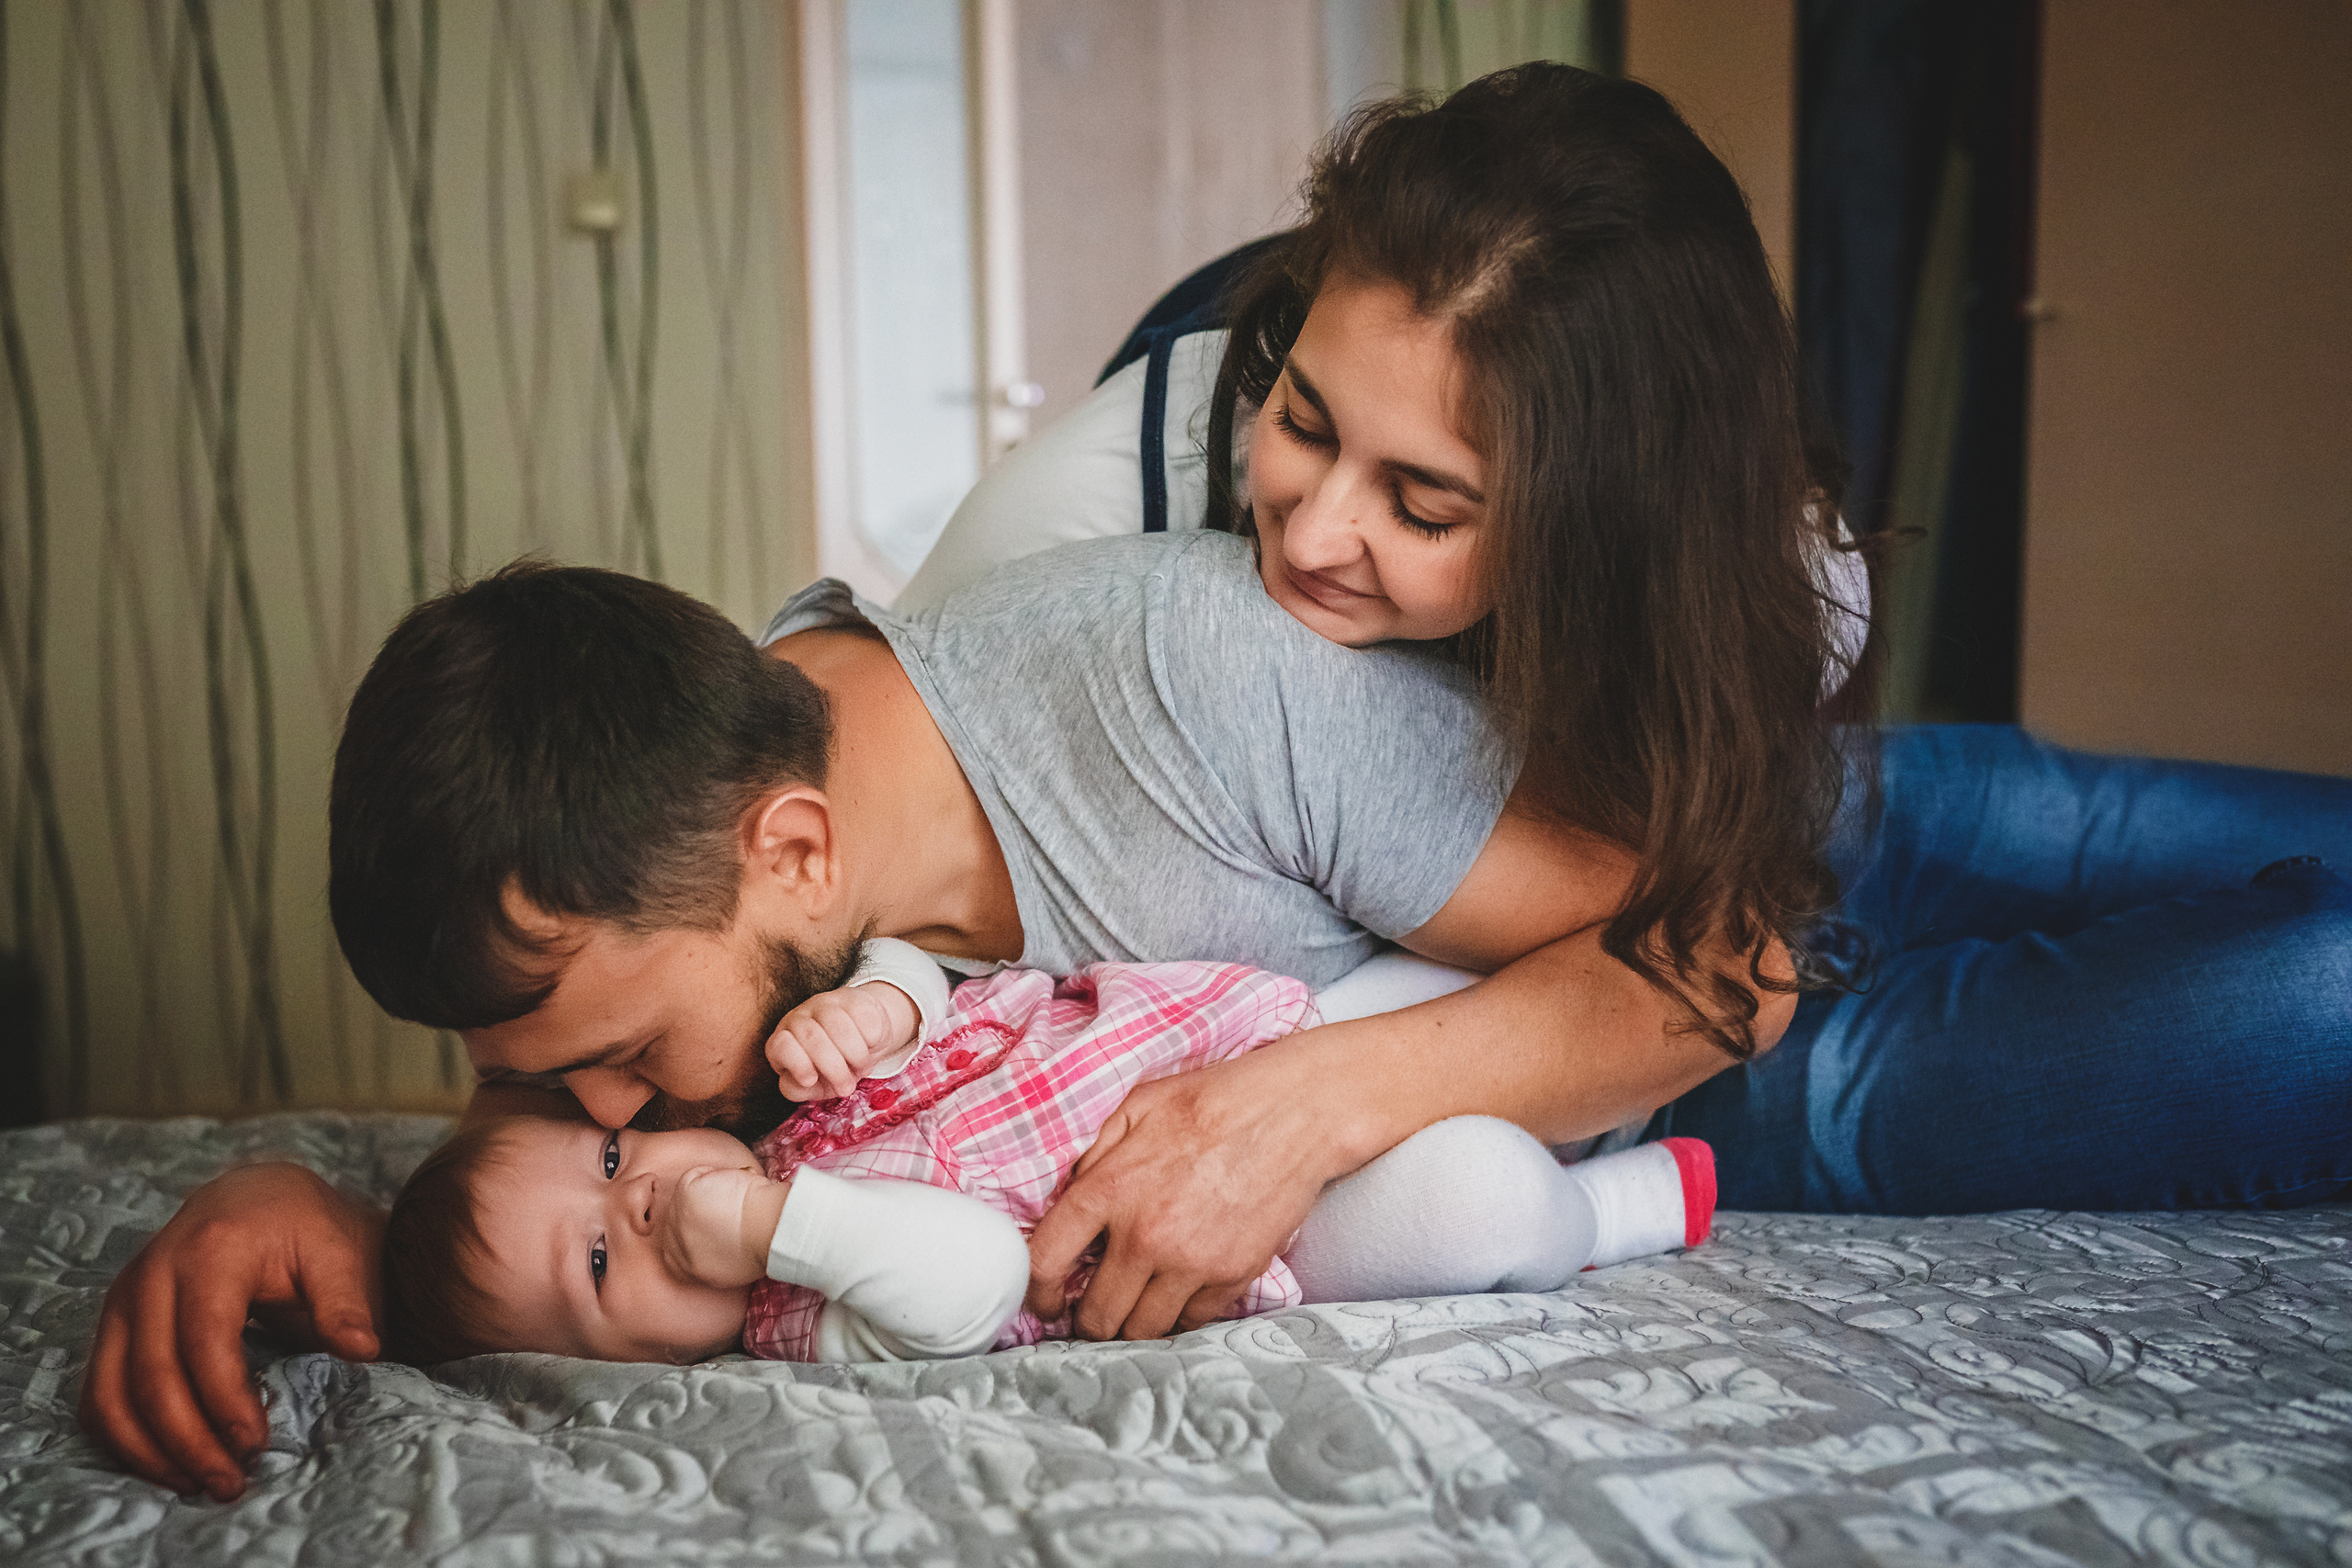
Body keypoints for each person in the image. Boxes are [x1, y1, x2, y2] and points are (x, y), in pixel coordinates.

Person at [915, 62, 2352, 1222]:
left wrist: (1326, 1095)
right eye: (1302, 425)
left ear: (1602, 530)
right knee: (2316, 993)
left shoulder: (1767, 567)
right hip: (1571, 1051)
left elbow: (1724, 934)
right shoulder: (1075, 533)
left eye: (1425, 506)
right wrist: (1332, 1091)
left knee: (2113, 828)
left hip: (1725, 842)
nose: (1311, 536)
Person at [85, 527, 1768, 1500]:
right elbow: (571, 1187)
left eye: (615, 1061)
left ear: (797, 854)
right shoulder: (700, 820)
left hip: (1739, 903)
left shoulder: (1193, 689)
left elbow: (1736, 956)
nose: (603, 1121)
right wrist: (326, 1213)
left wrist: (1301, 1109)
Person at [382, 950, 1716, 1365]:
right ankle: (1609, 1208)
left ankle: (1638, 1052)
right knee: (1476, 1201)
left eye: (611, 1156)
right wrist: (778, 1228)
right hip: (1234, 1229)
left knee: (1454, 988)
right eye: (606, 1257)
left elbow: (924, 951)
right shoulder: (802, 1323)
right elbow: (975, 1273)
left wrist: (885, 1001)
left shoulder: (764, 1091)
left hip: (1211, 1038)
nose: (652, 1194)